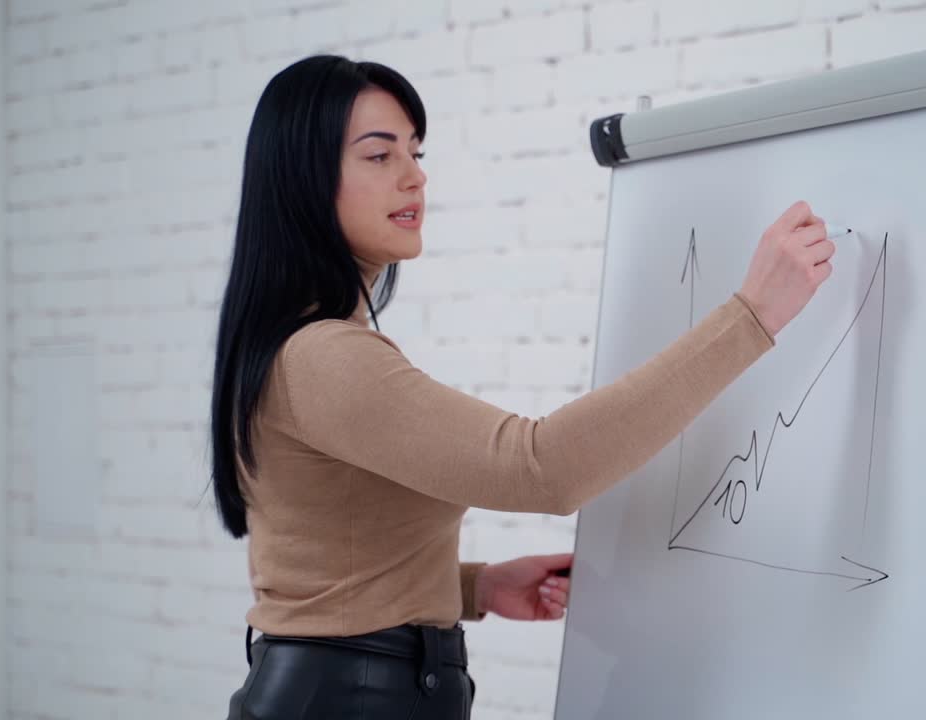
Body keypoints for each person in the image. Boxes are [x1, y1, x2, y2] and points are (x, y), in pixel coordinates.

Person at [212, 55, 835, 720]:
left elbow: (327, 560)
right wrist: (751, 317)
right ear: (304, 178)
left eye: (416, 153)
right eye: (379, 155)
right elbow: (541, 469)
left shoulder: (297, 345)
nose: (414, 176)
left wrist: (475, 588)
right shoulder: (324, 357)